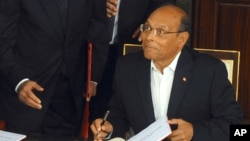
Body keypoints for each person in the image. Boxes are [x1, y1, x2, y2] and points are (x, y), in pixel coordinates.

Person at [90, 4, 243, 141]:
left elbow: (236, 127)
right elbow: (119, 113)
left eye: (160, 32)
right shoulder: (127, 67)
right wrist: (109, 128)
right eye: (147, 28)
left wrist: (195, 131)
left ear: (182, 39)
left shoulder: (209, 71)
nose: (149, 37)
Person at [0, 0, 107, 136]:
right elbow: (2, 41)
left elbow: (99, 29)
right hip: (26, 97)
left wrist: (93, 78)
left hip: (69, 97)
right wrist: (18, 81)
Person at [90, 0, 176, 122]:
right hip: (85, 46)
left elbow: (165, 3)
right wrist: (96, 5)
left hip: (131, 44)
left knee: (119, 109)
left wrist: (150, 24)